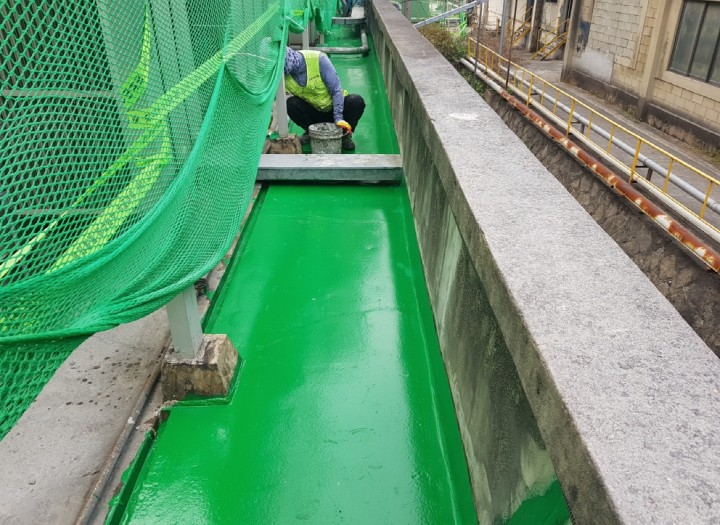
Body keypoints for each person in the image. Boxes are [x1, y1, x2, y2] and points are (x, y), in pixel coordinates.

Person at [284, 47, 366, 151]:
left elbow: (336, 90)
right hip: (315, 112)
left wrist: (338, 118)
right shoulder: (282, 74)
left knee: (356, 101)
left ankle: (343, 135)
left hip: (335, 109)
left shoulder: (318, 59)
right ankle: (311, 132)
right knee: (291, 104)